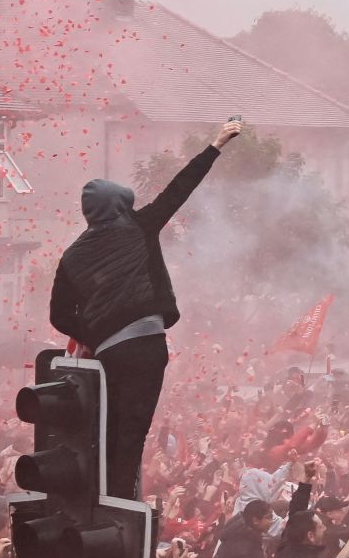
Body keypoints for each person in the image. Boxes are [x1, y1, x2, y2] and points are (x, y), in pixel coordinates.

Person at [47, 114, 244, 499]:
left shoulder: (71, 256)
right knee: (132, 433)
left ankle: (97, 502)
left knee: (108, 429)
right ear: (119, 205)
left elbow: (59, 315)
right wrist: (215, 145)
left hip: (108, 353)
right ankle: (120, 506)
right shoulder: (138, 226)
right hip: (145, 344)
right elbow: (178, 190)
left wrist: (96, 333)